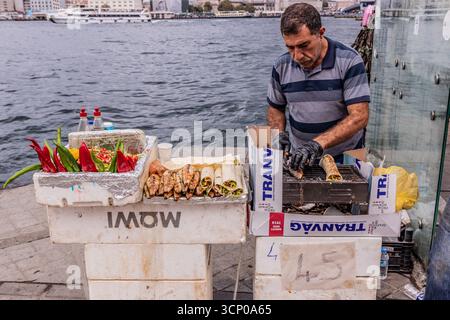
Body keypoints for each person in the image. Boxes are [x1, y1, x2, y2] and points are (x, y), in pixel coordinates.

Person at [267, 3, 370, 171]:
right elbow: (276, 109)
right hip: (300, 158)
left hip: (345, 158)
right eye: (290, 47)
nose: (297, 56)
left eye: (304, 45)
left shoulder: (349, 61)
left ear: (321, 33)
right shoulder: (281, 66)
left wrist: (316, 144)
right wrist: (278, 134)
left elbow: (359, 116)